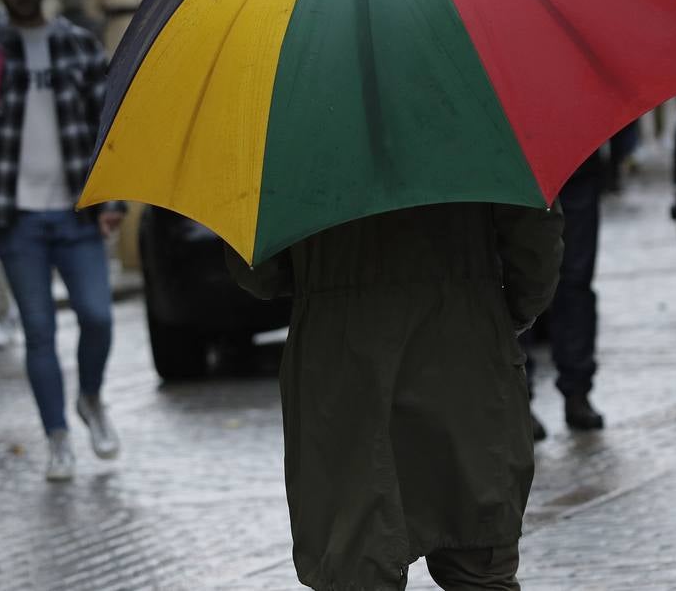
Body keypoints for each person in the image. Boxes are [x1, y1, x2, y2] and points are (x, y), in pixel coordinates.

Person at [229, 202, 564, 591]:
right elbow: (534, 233)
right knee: (479, 560)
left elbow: (258, 269)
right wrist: (506, 312)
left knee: (353, 559)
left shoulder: (281, 146)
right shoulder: (490, 141)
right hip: (463, 340)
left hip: (340, 359)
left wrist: (322, 275)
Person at [0, 0, 125, 481]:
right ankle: (57, 437)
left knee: (98, 317)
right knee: (38, 332)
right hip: (16, 216)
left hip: (76, 208)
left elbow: (108, 124)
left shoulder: (77, 42)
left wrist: (113, 198)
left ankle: (90, 398)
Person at [523, 151, 605, 440]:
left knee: (576, 279)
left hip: (574, 162)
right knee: (514, 277)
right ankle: (521, 395)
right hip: (516, 163)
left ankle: (578, 390)